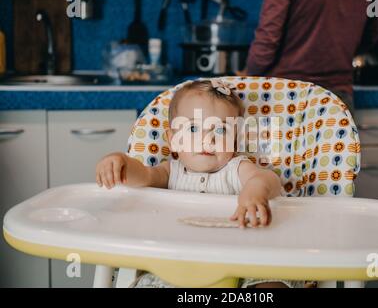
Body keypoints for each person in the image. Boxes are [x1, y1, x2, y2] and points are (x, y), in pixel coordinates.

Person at [95, 79, 302, 288]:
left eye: (220, 130)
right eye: (193, 128)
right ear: (173, 139)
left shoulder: (236, 168)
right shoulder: (170, 171)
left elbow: (268, 179)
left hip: (240, 257)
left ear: (236, 141)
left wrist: (255, 191)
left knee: (271, 276)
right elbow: (144, 176)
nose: (207, 138)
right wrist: (121, 163)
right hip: (180, 260)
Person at [241, 0, 378, 111]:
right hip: (336, 101)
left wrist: (248, 75)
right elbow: (372, 36)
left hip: (286, 97)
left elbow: (267, 40)